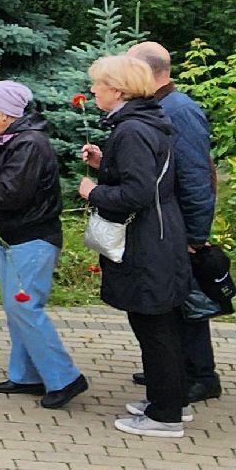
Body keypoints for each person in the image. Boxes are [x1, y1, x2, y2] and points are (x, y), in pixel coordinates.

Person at [78, 56, 190, 438]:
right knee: (161, 323)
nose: (93, 89)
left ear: (118, 90)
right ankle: (171, 400)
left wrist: (94, 191)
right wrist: (105, 163)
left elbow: (137, 193)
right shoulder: (148, 121)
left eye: (98, 84)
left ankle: (165, 415)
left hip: (147, 239)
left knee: (153, 324)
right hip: (161, 232)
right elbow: (148, 177)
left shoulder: (131, 130)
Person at [0, 81, 86, 410]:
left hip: (33, 239)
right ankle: (27, 375)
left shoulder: (29, 144)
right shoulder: (11, 140)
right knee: (16, 307)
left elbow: (11, 193)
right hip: (15, 238)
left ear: (5, 114)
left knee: (24, 307)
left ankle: (65, 378)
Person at [126, 41, 221, 404]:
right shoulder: (158, 107)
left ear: (146, 72)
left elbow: (197, 175)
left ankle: (201, 375)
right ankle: (170, 366)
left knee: (186, 300)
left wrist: (196, 233)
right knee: (167, 298)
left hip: (178, 224)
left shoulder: (179, 110)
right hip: (165, 223)